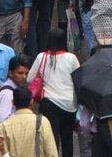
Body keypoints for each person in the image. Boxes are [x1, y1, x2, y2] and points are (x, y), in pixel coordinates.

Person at [28, 29, 81, 157]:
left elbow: (29, 78)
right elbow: (79, 80)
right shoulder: (71, 58)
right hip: (69, 105)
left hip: (49, 104)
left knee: (51, 140)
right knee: (67, 138)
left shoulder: (42, 57)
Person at [0, 86, 59, 157]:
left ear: (13, 102)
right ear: (31, 102)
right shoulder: (42, 122)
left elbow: (0, 153)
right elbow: (51, 153)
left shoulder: (4, 126)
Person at [0, 56, 31, 124]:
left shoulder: (17, 89)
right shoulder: (7, 93)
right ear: (10, 73)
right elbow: (1, 120)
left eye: (26, 73)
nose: (24, 77)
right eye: (20, 73)